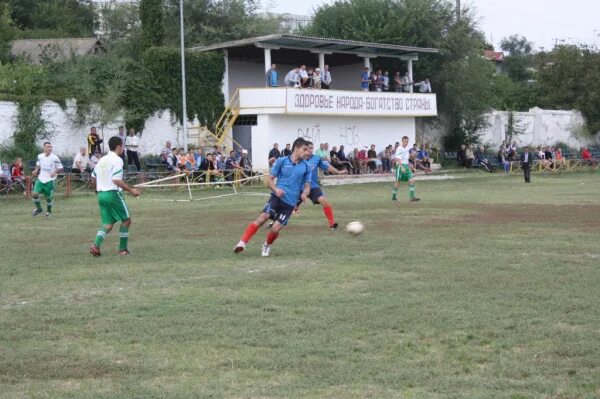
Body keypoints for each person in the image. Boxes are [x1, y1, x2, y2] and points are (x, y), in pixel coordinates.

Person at [234, 137, 311, 257]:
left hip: (290, 203)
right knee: (263, 217)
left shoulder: (306, 166)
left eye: (308, 150)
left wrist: (305, 193)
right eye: (304, 149)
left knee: (275, 229)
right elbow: (269, 180)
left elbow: (307, 185)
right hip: (277, 197)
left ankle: (267, 245)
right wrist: (276, 189)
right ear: (296, 148)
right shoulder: (282, 161)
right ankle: (242, 242)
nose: (307, 152)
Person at [89, 136, 140, 257]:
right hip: (112, 194)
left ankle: (95, 246)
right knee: (126, 220)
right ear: (118, 146)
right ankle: (123, 250)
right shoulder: (118, 160)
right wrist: (131, 190)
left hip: (102, 195)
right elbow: (116, 180)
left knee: (108, 223)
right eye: (123, 146)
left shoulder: (102, 160)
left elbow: (93, 177)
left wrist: (97, 190)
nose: (123, 148)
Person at [298, 141, 346, 230]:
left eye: (312, 148)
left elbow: (327, 167)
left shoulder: (316, 158)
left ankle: (332, 224)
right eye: (308, 148)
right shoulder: (298, 159)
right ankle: (275, 221)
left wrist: (338, 172)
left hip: (313, 187)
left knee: (324, 201)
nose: (310, 150)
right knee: (289, 206)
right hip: (299, 188)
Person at [31, 142, 64, 217]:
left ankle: (49, 212)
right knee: (34, 194)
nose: (50, 148)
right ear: (44, 148)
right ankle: (39, 209)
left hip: (49, 180)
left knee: (48, 198)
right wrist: (35, 170)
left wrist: (55, 172)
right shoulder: (40, 156)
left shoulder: (55, 158)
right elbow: (38, 165)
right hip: (41, 179)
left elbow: (61, 168)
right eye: (48, 147)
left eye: (50, 147)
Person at [392, 136, 420, 202]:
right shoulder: (399, 148)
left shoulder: (407, 148)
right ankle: (393, 197)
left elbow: (406, 160)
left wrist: (412, 167)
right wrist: (401, 167)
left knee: (412, 180)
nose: (406, 143)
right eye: (404, 141)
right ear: (402, 141)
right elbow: (398, 159)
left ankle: (412, 197)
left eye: (407, 141)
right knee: (397, 182)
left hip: (406, 166)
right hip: (400, 166)